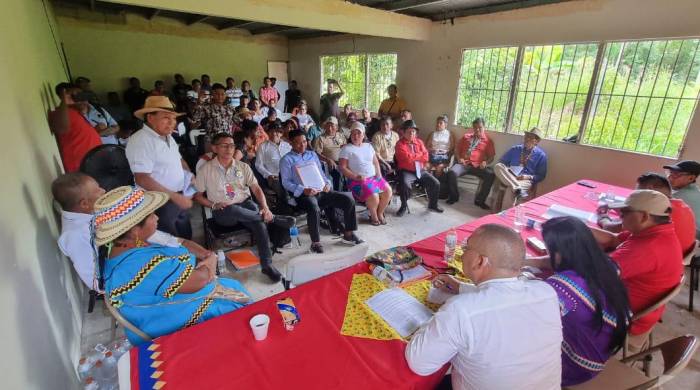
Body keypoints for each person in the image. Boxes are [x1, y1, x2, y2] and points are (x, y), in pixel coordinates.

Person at [406, 224, 562, 390]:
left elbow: (419, 364)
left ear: (480, 261)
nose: (462, 253)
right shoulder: (546, 292)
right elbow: (503, 299)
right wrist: (461, 287)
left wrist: (431, 322)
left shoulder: (461, 311)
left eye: (466, 248)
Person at [95, 186, 251, 345]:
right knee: (233, 306)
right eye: (151, 216)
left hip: (156, 306)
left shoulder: (121, 244)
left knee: (232, 284)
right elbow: (201, 280)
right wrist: (210, 262)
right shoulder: (141, 265)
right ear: (135, 230)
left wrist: (205, 255)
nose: (157, 218)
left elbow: (179, 242)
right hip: (161, 320)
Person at [53, 173, 209, 290]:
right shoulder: (75, 235)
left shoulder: (95, 214)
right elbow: (98, 282)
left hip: (147, 263)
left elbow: (152, 236)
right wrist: (148, 277)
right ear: (84, 204)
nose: (103, 190)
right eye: (97, 191)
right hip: (135, 281)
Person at [525, 217, 631, 386]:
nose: (548, 252)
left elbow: (528, 315)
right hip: (601, 350)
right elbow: (553, 262)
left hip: (575, 365)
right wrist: (524, 261)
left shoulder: (560, 289)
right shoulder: (606, 264)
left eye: (550, 249)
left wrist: (526, 278)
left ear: (561, 252)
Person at [194, 133, 295, 282]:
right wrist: (213, 204)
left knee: (259, 223)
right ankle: (274, 218)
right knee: (233, 209)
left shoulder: (242, 166)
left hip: (245, 205)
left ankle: (267, 265)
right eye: (224, 145)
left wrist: (265, 207)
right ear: (215, 148)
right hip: (223, 211)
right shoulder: (206, 169)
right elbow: (197, 196)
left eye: (232, 145)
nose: (229, 149)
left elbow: (256, 189)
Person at [590, 190, 683, 351]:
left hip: (625, 317)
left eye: (625, 212)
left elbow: (592, 272)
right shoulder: (657, 230)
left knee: (559, 289)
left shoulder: (648, 249)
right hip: (639, 307)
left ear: (644, 216)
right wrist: (579, 228)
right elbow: (614, 239)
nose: (620, 215)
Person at [280, 129, 363, 253]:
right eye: (298, 143)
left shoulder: (312, 155)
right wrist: (303, 190)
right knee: (314, 207)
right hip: (304, 195)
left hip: (321, 190)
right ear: (291, 143)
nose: (302, 145)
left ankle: (348, 234)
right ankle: (315, 242)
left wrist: (327, 184)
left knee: (348, 199)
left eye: (304, 141)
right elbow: (286, 183)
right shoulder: (286, 160)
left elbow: (322, 174)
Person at [126, 96, 193, 239]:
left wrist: (190, 175)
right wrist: (175, 197)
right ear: (150, 118)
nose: (172, 123)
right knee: (170, 240)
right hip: (160, 203)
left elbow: (179, 160)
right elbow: (142, 178)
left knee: (185, 236)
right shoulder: (141, 140)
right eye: (166, 118)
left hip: (178, 196)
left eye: (174, 118)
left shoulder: (167, 136)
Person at [598, 172, 697, 256]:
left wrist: (603, 218)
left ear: (649, 190)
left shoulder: (655, 212)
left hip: (657, 257)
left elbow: (612, 229)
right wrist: (626, 209)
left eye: (638, 193)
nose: (637, 196)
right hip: (678, 255)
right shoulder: (680, 205)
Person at [339, 122, 392, 225]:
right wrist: (356, 177)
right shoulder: (346, 148)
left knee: (388, 191)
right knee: (374, 195)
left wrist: (379, 175)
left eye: (358, 133)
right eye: (353, 133)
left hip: (373, 177)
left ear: (363, 135)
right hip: (357, 180)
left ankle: (380, 213)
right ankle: (374, 216)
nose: (355, 136)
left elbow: (375, 162)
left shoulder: (368, 146)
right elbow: (342, 168)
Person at [48, 83, 102, 173]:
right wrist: (64, 102)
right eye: (75, 94)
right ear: (64, 96)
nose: (80, 98)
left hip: (94, 166)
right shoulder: (60, 113)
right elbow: (61, 128)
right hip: (80, 169)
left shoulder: (78, 114)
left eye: (81, 94)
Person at [445, 117, 495, 209]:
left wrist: (485, 162)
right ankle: (454, 196)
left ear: (484, 127)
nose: (477, 129)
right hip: (464, 164)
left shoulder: (488, 141)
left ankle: (480, 200)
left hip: (478, 166)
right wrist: (459, 158)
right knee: (451, 172)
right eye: (475, 127)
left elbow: (491, 157)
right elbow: (457, 150)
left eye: (480, 127)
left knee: (491, 175)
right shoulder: (466, 137)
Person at [394, 120, 442, 216]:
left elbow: (426, 156)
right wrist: (419, 155)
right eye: (409, 131)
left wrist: (413, 156)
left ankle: (433, 205)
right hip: (406, 171)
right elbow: (407, 159)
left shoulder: (419, 142)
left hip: (420, 170)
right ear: (403, 132)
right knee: (404, 184)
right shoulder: (400, 144)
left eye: (414, 131)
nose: (412, 133)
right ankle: (403, 206)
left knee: (436, 183)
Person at [494, 127, 547, 208]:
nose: (527, 139)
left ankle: (505, 217)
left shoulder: (541, 155)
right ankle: (517, 188)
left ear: (536, 141)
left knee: (510, 190)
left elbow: (541, 176)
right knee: (498, 166)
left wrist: (528, 176)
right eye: (526, 136)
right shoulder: (515, 149)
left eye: (531, 137)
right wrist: (509, 169)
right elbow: (502, 162)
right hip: (510, 175)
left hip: (525, 180)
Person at [256, 124, 293, 213]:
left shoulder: (287, 146)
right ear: (268, 133)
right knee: (281, 186)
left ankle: (298, 205)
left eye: (277, 131)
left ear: (281, 133)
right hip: (274, 177)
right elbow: (258, 165)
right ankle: (288, 208)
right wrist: (268, 175)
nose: (274, 134)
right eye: (271, 131)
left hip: (290, 174)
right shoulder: (263, 146)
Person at [665, 160, 700, 238]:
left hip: (693, 238)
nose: (669, 177)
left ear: (691, 178)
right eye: (670, 173)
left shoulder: (678, 198)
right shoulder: (697, 191)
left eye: (676, 174)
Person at [313, 116, 346, 191]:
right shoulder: (320, 138)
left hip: (343, 161)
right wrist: (328, 160)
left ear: (337, 127)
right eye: (328, 126)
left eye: (332, 126)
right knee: (339, 173)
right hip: (330, 164)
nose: (330, 128)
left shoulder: (341, 136)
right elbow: (316, 154)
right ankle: (338, 195)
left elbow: (346, 148)